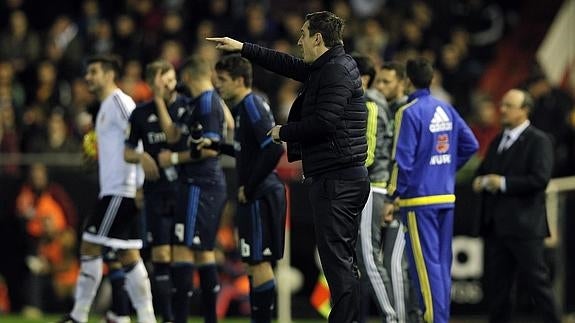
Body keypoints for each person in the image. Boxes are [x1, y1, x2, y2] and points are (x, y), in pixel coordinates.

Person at [207, 10, 371, 322]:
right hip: (335, 176)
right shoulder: (328, 66)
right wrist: (243, 47)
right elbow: (285, 64)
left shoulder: (335, 70)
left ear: (317, 38)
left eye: (304, 34)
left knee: (338, 264)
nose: (299, 41)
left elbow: (325, 121)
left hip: (339, 178)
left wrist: (285, 132)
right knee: (340, 262)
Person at [58, 54, 156, 323]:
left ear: (109, 74)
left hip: (121, 190)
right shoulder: (103, 108)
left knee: (90, 245)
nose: (88, 77)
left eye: (94, 72)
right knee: (128, 254)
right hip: (116, 189)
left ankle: (78, 316)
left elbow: (139, 136)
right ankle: (147, 318)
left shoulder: (119, 102)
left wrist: (138, 185)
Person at [383, 57, 478, 323]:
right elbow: (471, 145)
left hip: (419, 201)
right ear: (432, 79)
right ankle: (441, 318)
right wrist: (446, 171)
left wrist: (393, 196)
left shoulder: (409, 112)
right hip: (446, 197)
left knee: (424, 267)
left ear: (406, 81)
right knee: (441, 265)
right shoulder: (446, 108)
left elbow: (402, 162)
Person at [472, 88, 560, 323]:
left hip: (525, 228)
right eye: (502, 105)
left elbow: (540, 179)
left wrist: (503, 183)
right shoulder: (498, 140)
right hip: (497, 228)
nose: (502, 110)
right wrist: (480, 180)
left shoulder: (539, 140)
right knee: (498, 289)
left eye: (509, 106)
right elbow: (483, 171)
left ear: (524, 110)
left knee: (538, 285)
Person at [213, 54, 286, 323]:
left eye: (223, 80)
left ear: (240, 80)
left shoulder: (252, 104)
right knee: (253, 264)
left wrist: (250, 185)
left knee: (259, 263)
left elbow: (273, 148)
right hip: (257, 192)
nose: (218, 85)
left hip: (261, 192)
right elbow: (250, 151)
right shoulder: (244, 108)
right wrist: (218, 147)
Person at [154, 55, 227, 323]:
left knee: (184, 250)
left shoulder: (207, 103)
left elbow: (209, 148)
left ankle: (180, 319)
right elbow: (174, 134)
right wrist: (160, 98)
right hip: (199, 184)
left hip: (202, 184)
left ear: (187, 78)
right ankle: (207, 319)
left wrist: (173, 159)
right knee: (202, 252)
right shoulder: (198, 103)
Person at [353, 55, 415, 323]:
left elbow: (370, 155)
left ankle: (394, 318)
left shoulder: (373, 105)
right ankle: (399, 317)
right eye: (379, 81)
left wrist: (395, 194)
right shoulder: (388, 107)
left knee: (371, 260)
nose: (381, 86)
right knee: (386, 263)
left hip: (378, 189)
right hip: (385, 190)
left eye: (386, 82)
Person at [124, 59, 184, 323]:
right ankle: (168, 317)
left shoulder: (186, 106)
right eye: (163, 80)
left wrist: (161, 102)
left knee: (183, 255)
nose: (169, 84)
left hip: (184, 190)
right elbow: (127, 151)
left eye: (171, 78)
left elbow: (173, 136)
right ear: (151, 83)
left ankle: (182, 314)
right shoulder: (139, 113)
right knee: (160, 254)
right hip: (156, 192)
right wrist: (141, 158)